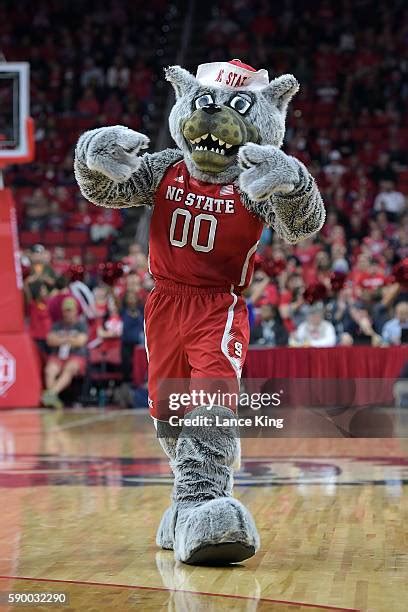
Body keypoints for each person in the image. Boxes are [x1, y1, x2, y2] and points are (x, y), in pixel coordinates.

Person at [42, 298, 88, 409]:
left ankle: (51, 394)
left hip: (75, 356)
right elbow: (50, 340)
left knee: (70, 368)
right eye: (65, 311)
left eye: (70, 310)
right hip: (58, 356)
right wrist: (69, 339)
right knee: (50, 370)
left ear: (75, 311)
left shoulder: (81, 325)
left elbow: (80, 341)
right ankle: (52, 398)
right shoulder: (57, 325)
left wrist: (61, 339)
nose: (67, 314)